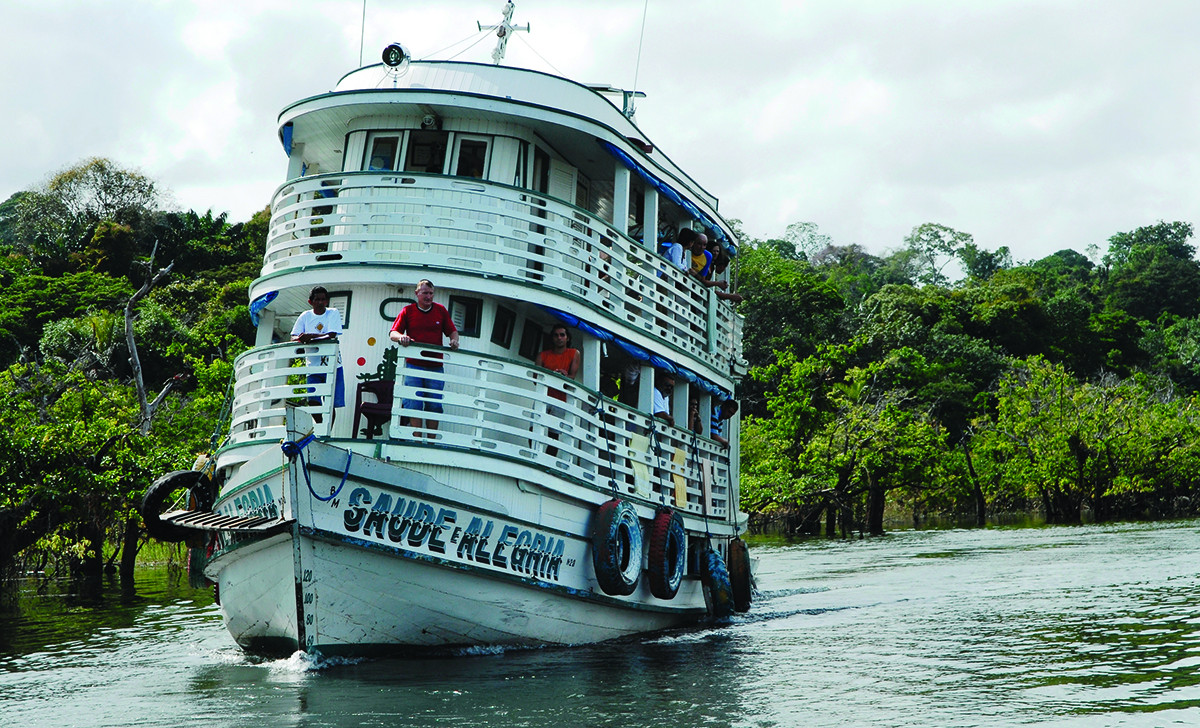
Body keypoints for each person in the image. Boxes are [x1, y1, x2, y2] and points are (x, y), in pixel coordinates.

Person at [389, 279, 460, 434]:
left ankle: (431, 441)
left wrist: (454, 340)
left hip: (435, 366)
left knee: (434, 404)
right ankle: (416, 438)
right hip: (413, 365)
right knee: (413, 403)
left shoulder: (440, 311)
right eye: (425, 293)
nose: (428, 296)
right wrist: (401, 337)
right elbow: (393, 332)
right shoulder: (408, 311)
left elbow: (452, 331)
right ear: (417, 294)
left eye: (431, 293)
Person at [290, 285, 344, 424]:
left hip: (333, 365)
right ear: (310, 302)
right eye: (317, 299)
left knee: (329, 402)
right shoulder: (305, 316)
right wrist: (302, 338)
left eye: (323, 300)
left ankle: (326, 431)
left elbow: (332, 334)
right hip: (313, 366)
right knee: (313, 401)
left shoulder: (333, 313)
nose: (320, 302)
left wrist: (310, 337)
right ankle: (320, 426)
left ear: (327, 301)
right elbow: (293, 337)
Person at [536, 324, 581, 456]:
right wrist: (551, 375)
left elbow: (572, 377)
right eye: (556, 335)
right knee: (534, 427)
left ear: (567, 338)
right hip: (543, 395)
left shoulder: (574, 353)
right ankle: (536, 455)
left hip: (560, 398)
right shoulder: (543, 355)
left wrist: (564, 375)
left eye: (562, 335)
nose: (559, 338)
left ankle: (547, 462)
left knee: (553, 435)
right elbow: (536, 377)